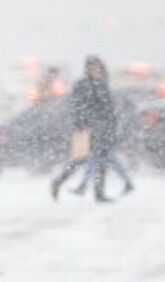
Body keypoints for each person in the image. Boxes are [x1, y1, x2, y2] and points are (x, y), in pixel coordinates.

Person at [51, 56, 121, 202]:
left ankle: (99, 192)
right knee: (79, 160)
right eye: (93, 66)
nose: (96, 69)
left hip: (102, 129)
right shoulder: (82, 84)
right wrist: (82, 123)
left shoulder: (102, 84)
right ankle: (58, 182)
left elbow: (108, 108)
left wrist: (111, 123)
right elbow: (77, 106)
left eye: (98, 66)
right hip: (86, 129)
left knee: (102, 160)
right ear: (87, 68)